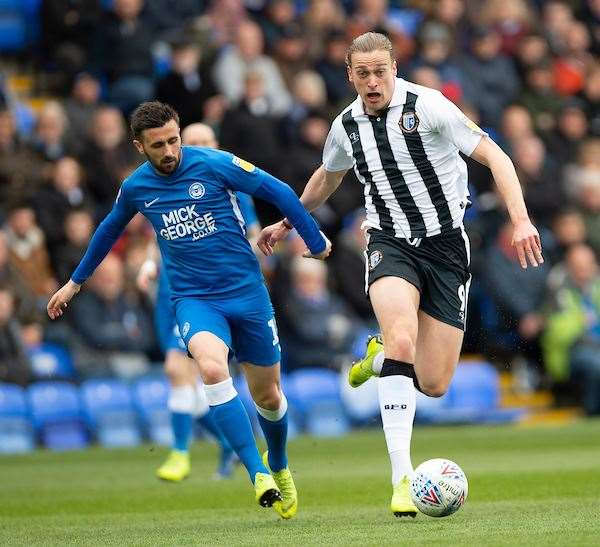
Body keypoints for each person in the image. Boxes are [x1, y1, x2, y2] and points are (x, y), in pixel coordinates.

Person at [258, 32, 543, 518]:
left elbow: (496, 155)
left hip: (447, 247)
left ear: (395, 69)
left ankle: (379, 357)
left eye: (380, 71)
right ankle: (401, 478)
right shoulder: (346, 125)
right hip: (388, 242)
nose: (372, 82)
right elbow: (327, 175)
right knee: (403, 340)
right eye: (362, 73)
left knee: (433, 384)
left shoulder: (430, 106)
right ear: (349, 75)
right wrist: (289, 222)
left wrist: (520, 219)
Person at [47, 101, 330, 519]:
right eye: (158, 145)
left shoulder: (215, 164)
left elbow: (281, 193)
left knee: (268, 395)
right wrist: (74, 282)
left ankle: (279, 463)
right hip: (194, 299)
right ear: (139, 146)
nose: (169, 151)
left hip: (247, 294)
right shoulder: (137, 187)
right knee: (212, 370)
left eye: (173, 140)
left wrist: (314, 239)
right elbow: (108, 231)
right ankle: (257, 476)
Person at [136, 123, 258, 482]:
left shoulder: (232, 184)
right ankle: (229, 442)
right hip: (167, 295)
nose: (202, 148)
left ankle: (180, 453)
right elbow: (156, 234)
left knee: (179, 369)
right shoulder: (160, 185)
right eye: (195, 143)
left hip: (205, 294)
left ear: (217, 145)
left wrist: (239, 270)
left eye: (208, 142)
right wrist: (147, 265)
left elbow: (250, 234)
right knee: (191, 379)